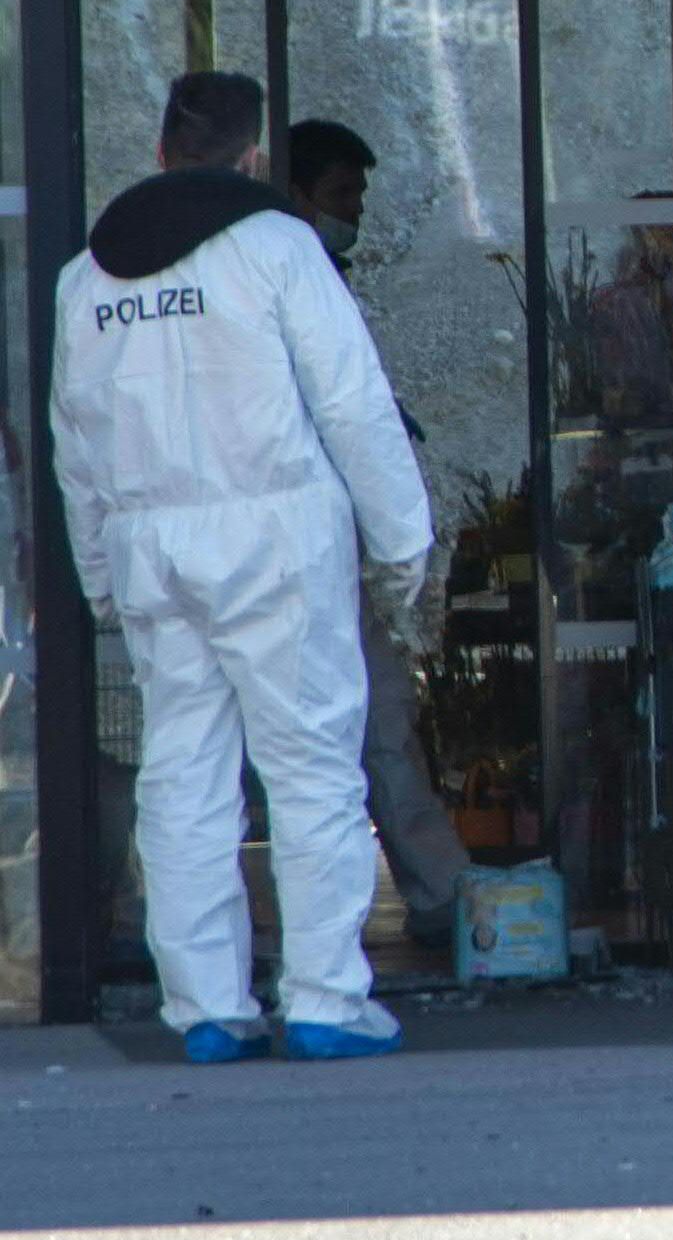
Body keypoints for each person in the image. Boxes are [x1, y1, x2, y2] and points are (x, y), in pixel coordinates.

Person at [52, 72, 433, 1063]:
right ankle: (324, 999)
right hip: (273, 537)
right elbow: (352, 403)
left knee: (181, 777)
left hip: (151, 549)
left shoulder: (88, 277)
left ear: (161, 147)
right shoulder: (276, 247)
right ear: (256, 155)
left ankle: (207, 1007)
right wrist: (402, 540)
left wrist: (99, 570)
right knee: (311, 771)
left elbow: (76, 440)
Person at [285, 117, 469, 953]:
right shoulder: (283, 283)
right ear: (293, 193)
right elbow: (357, 422)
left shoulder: (308, 277)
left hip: (323, 550)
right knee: (351, 735)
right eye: (340, 196)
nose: (353, 212)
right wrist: (402, 555)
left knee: (382, 725)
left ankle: (443, 896)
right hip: (302, 552)